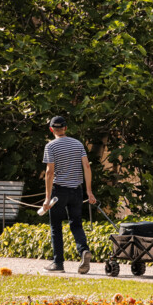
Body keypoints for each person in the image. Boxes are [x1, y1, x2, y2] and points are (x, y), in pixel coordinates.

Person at [42, 116, 96, 273]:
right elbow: (86, 166)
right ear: (65, 128)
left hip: (58, 191)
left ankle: (58, 263)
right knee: (76, 224)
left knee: (56, 227)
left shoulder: (50, 146)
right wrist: (89, 191)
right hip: (76, 191)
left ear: (52, 129)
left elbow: (49, 172)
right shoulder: (78, 144)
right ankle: (84, 250)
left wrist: (47, 198)